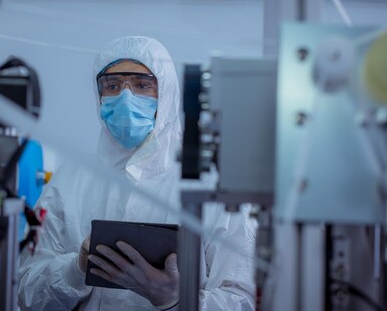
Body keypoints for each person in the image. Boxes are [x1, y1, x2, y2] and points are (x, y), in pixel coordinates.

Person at [17, 36, 256, 310]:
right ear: (99, 96)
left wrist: (174, 299)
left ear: (165, 93)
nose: (125, 97)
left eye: (142, 85)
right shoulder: (70, 180)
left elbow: (240, 300)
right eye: (113, 86)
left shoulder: (211, 185)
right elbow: (27, 295)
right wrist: (76, 268)